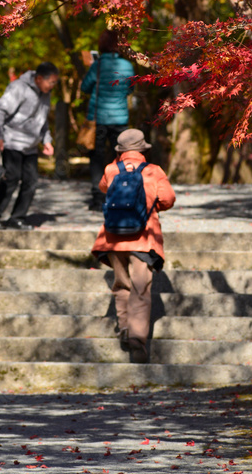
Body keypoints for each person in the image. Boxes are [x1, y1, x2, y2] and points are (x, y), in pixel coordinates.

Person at [91, 128, 176, 363]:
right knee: (141, 288)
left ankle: (125, 328)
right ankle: (138, 339)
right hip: (143, 237)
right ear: (142, 149)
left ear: (121, 150)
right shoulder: (153, 171)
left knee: (121, 285)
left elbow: (103, 189)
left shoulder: (110, 169)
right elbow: (168, 199)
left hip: (113, 237)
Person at [0, 62, 59, 230]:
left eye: (55, 82)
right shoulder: (19, 88)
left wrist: (46, 140)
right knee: (11, 179)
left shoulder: (45, 93)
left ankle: (17, 218)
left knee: (31, 182)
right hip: (12, 141)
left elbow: (43, 120)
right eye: (51, 82)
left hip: (31, 146)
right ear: (39, 79)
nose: (53, 85)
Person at [80, 28, 135, 211]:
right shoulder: (128, 66)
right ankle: (118, 195)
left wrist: (91, 70)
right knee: (119, 157)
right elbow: (129, 90)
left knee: (96, 158)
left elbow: (85, 88)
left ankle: (98, 198)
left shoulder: (97, 66)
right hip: (120, 119)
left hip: (99, 118)